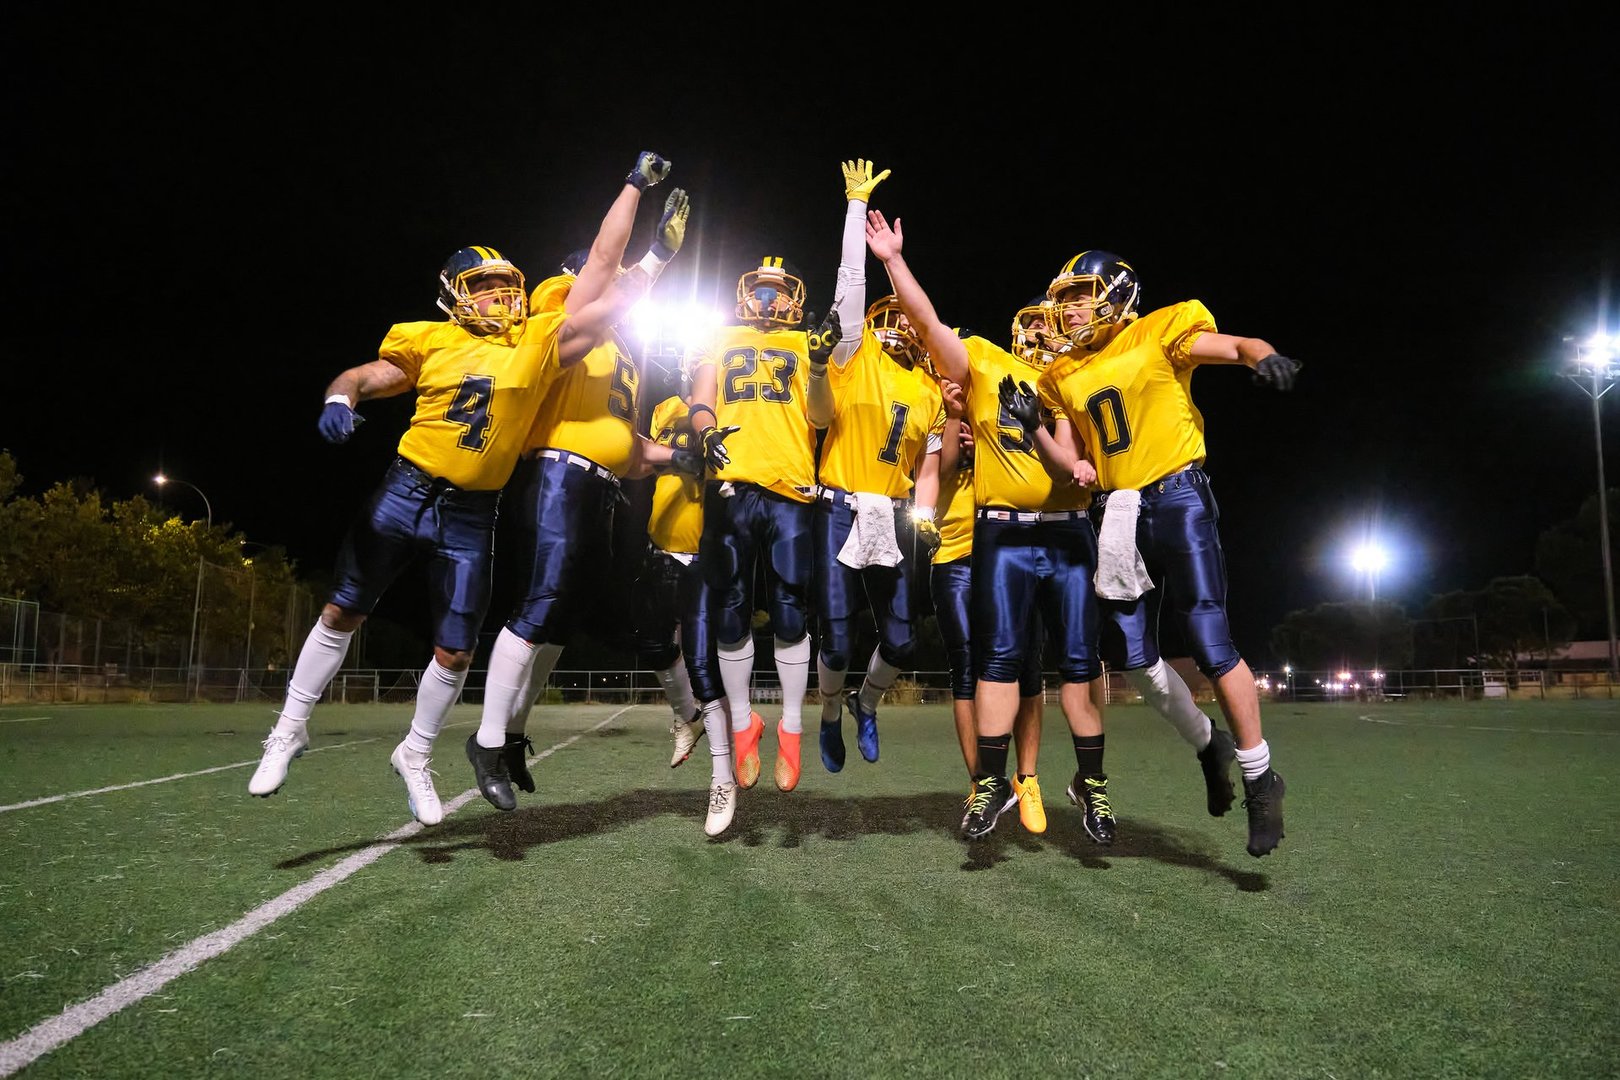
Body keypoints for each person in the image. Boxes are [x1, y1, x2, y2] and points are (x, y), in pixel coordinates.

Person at [248, 152, 685, 827]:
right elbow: (362, 376)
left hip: (472, 513)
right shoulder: (428, 339)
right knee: (342, 611)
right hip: (407, 489)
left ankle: (416, 754)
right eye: (484, 286)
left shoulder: (539, 343)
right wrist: (340, 398)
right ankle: (288, 728)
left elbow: (606, 272)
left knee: (456, 650)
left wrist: (642, 216)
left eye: (507, 284)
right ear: (454, 294)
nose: (500, 296)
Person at [1018, 249, 1299, 857]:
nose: (1070, 309)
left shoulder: (1161, 328)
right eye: (1063, 300)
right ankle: (1209, 744)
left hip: (1179, 495)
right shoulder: (1061, 373)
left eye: (1080, 295)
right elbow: (1070, 468)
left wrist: (1264, 356)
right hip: (1117, 511)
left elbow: (1237, 344)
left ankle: (1260, 779)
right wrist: (1034, 428)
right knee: (1132, 655)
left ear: (1116, 293)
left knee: (1208, 638)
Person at [463, 171, 708, 813]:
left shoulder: (619, 353)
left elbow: (623, 446)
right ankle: (486, 740)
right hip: (557, 476)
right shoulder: (562, 308)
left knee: (562, 619)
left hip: (600, 487)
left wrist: (678, 456)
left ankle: (512, 735)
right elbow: (604, 261)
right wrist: (643, 219)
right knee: (540, 605)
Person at [866, 209, 1112, 844]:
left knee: (1071, 661)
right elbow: (927, 323)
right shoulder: (985, 365)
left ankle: (1075, 782)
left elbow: (1093, 463)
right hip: (998, 532)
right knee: (994, 660)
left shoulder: (1079, 378)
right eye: (1035, 324)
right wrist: (893, 261)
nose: (1043, 333)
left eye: (1052, 322)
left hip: (1065, 531)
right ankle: (989, 783)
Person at [683, 187, 854, 834]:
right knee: (730, 612)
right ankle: (743, 723)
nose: (765, 298)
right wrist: (704, 432)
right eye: (758, 289)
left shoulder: (810, 344)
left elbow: (822, 418)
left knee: (788, 609)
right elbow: (702, 398)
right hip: (731, 485)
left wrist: (819, 364)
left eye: (777, 291)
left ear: (795, 299)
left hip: (789, 489)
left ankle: (789, 727)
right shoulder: (719, 335)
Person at [914, 372, 1048, 831]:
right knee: (966, 669)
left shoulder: (1005, 398)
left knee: (1028, 665)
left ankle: (1027, 779)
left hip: (1014, 547)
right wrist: (954, 420)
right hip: (954, 552)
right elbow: (936, 471)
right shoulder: (934, 402)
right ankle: (981, 785)